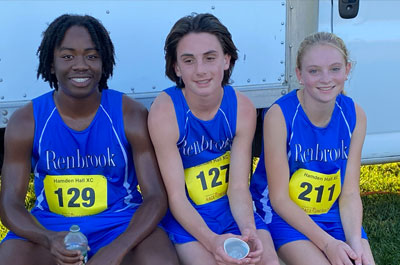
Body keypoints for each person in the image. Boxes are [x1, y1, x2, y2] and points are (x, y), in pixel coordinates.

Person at [0, 14, 179, 265]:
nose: (81, 65)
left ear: (104, 63)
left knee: (159, 260)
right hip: (52, 228)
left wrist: (117, 249)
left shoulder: (130, 114)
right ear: (51, 64)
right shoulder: (26, 121)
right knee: (9, 258)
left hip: (120, 225)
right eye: (67, 56)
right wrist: (47, 239)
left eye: (92, 56)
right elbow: (10, 204)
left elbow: (155, 197)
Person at [148, 13, 279, 265]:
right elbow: (176, 196)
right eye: (189, 60)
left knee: (267, 261)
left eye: (210, 58)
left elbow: (239, 187)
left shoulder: (242, 107)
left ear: (227, 60)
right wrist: (211, 241)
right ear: (176, 67)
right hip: (186, 216)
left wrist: (248, 229)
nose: (200, 70)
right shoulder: (165, 111)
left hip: (231, 209)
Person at [250, 32, 376, 265]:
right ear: (299, 74)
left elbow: (349, 193)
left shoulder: (355, 115)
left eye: (335, 69)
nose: (325, 78)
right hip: (282, 214)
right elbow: (279, 199)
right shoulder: (280, 115)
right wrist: (328, 244)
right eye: (314, 70)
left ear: (347, 70)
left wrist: (355, 243)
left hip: (332, 212)